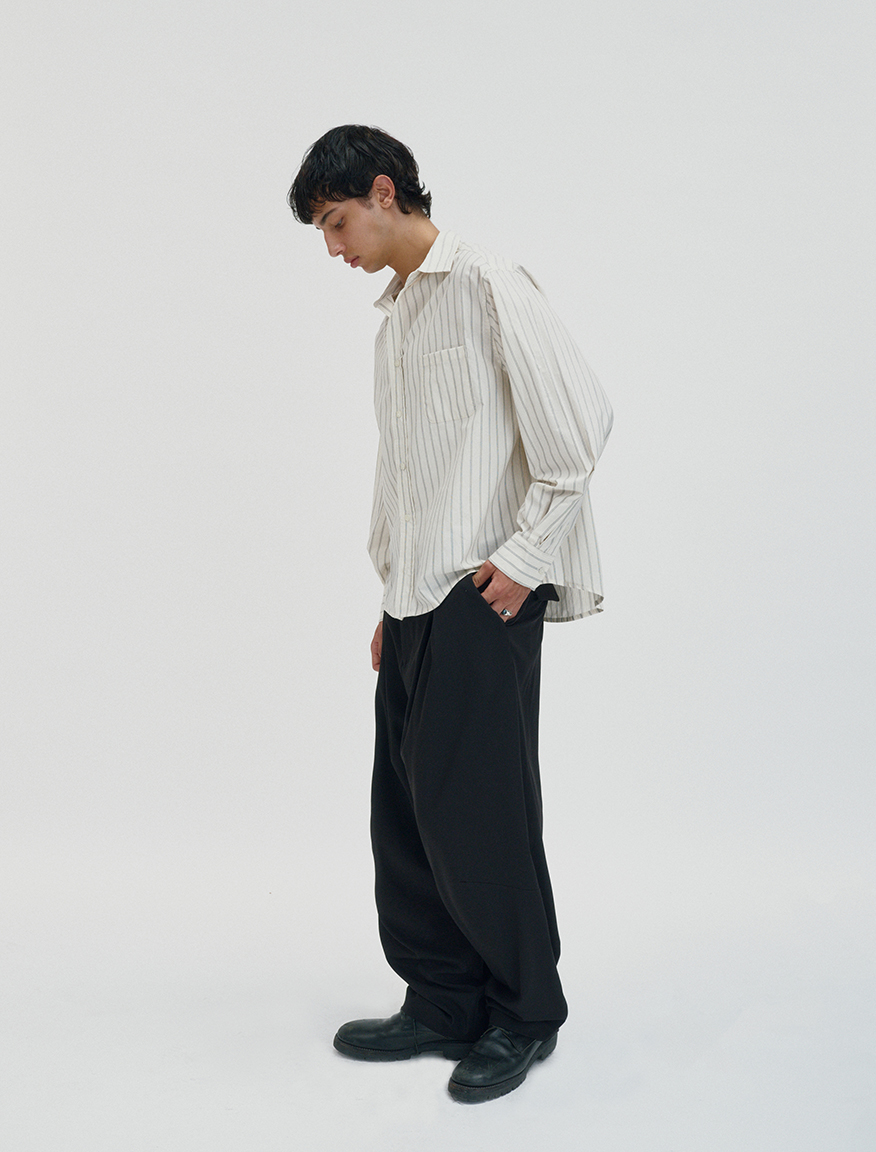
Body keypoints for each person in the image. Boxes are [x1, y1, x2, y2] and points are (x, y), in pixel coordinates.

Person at [288, 125, 612, 1104]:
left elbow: (580, 424)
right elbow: (411, 475)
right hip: (415, 598)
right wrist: (391, 595)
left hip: (482, 592)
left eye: (337, 222)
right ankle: (443, 1001)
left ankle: (526, 1011)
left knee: (482, 816)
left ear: (384, 192)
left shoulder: (488, 283)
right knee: (406, 815)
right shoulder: (398, 320)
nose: (334, 249)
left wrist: (523, 561)